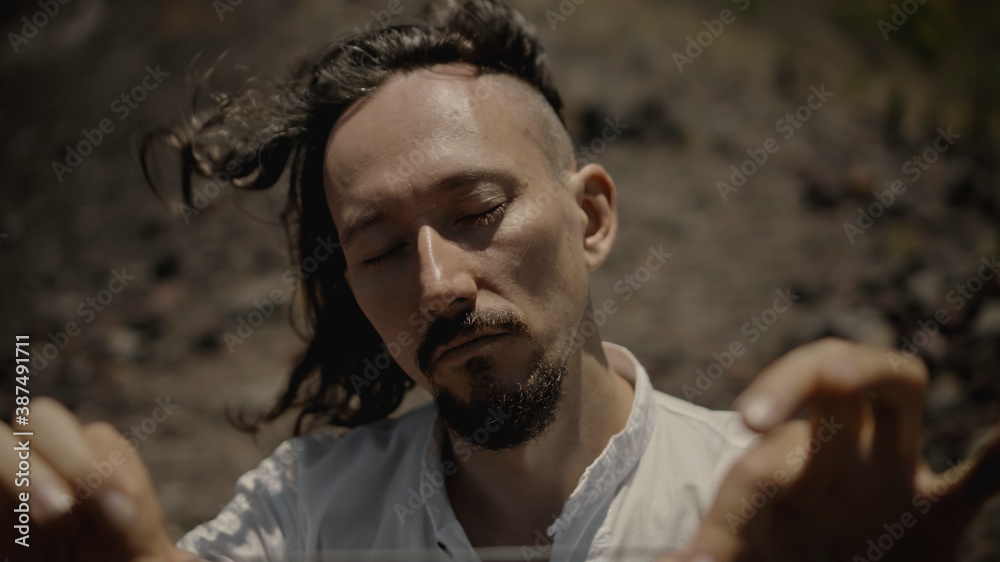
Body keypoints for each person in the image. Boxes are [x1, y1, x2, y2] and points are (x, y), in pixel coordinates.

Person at [2, 1, 998, 561]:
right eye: (381, 249)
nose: (436, 281)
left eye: (475, 212)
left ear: (592, 216)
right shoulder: (308, 514)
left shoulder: (772, 507)